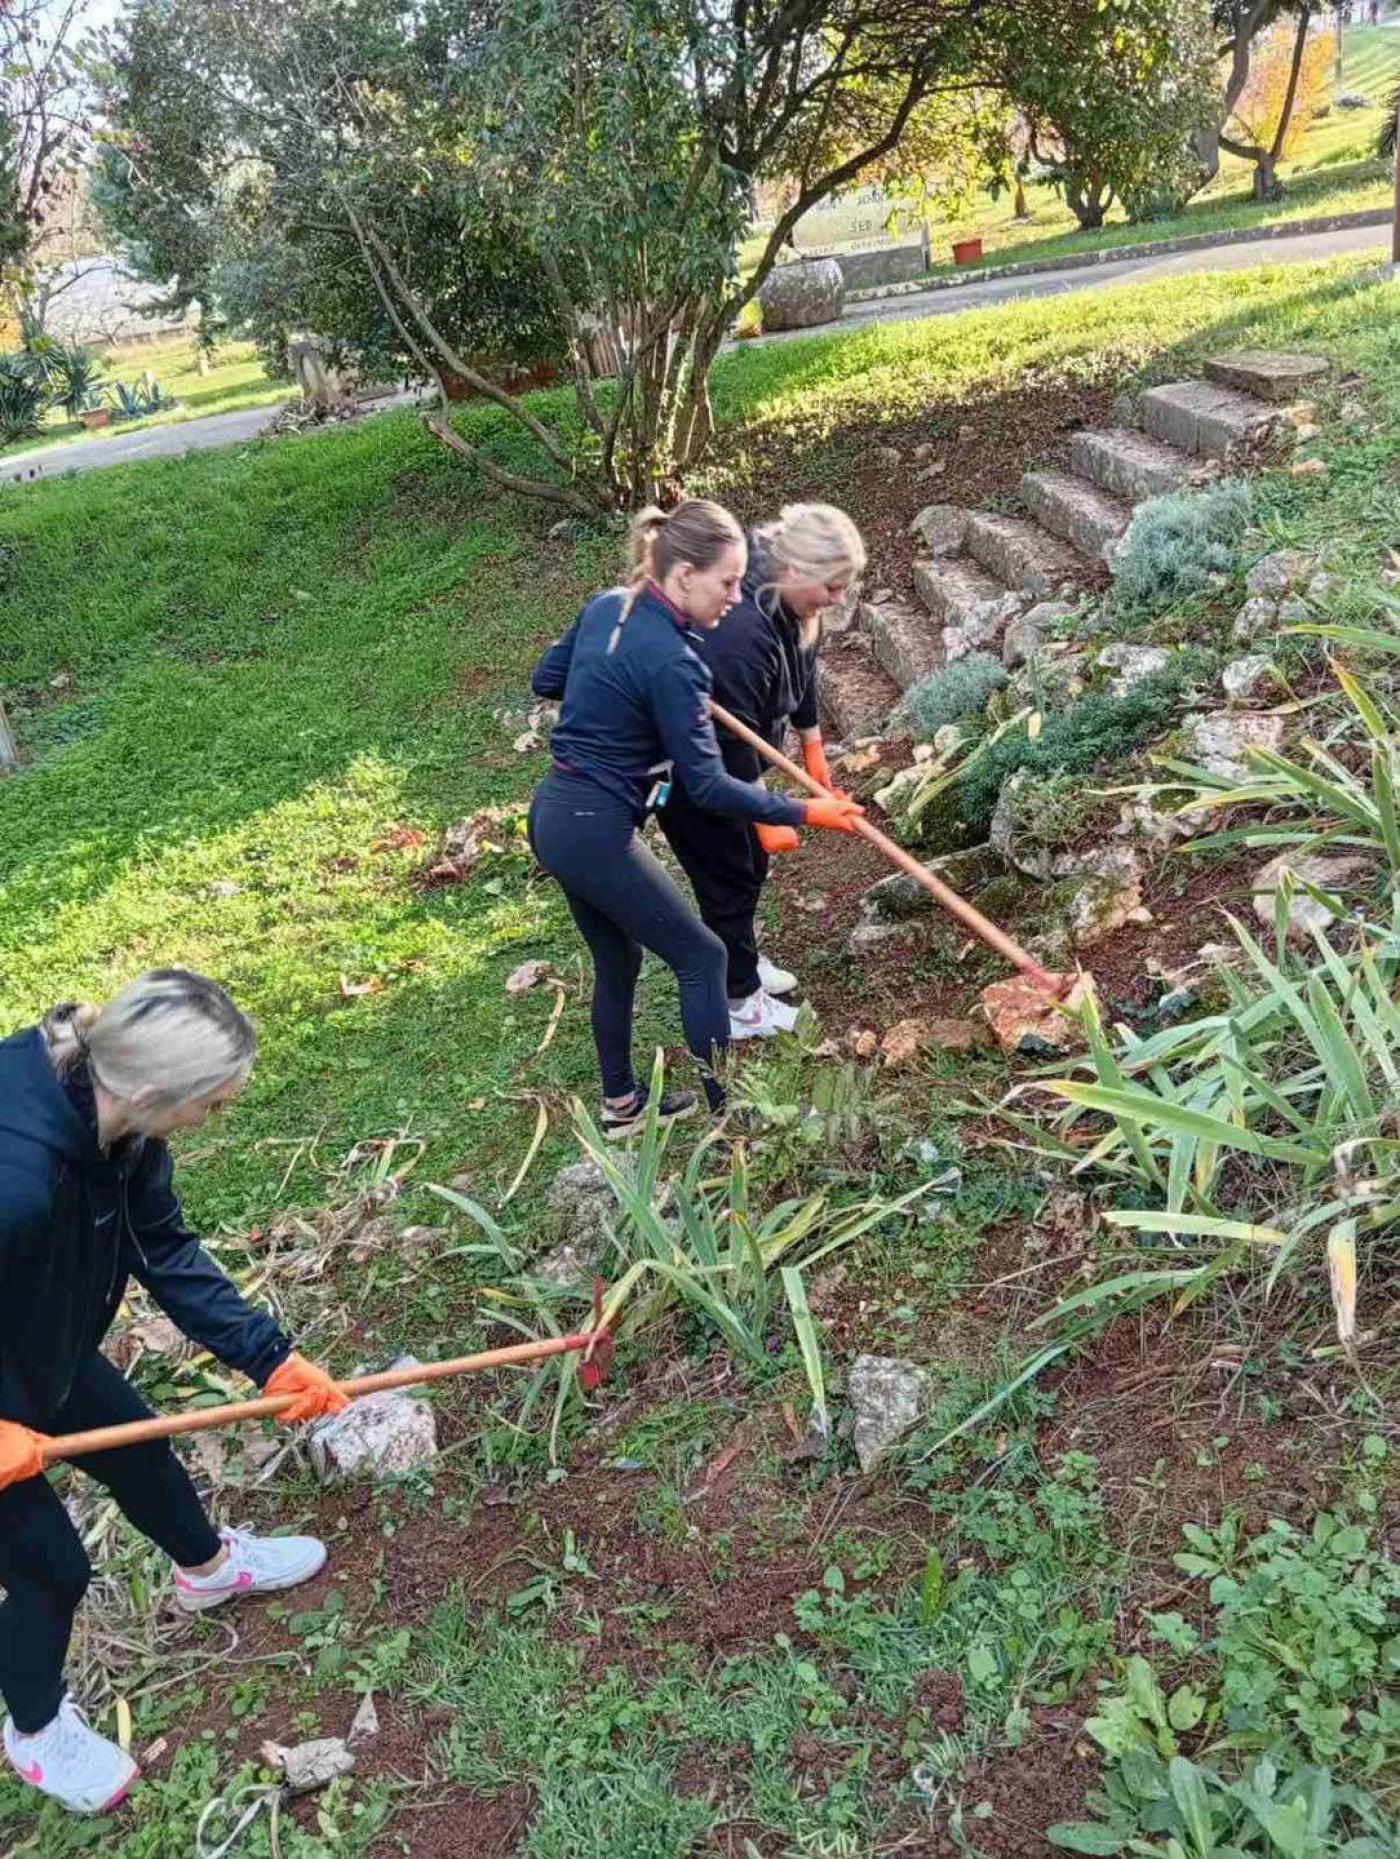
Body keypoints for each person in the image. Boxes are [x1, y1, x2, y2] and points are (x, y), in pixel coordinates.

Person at [0, 971, 349, 1817]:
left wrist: (272, 1358)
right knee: (50, 1567)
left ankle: (209, 1569)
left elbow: (161, 1247)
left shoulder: (123, 1130)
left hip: (38, 1343)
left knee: (139, 1444)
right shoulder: (15, 1177)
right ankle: (35, 1730)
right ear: (156, 1090)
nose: (214, 1118)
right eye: (213, 1104)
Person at [529, 499, 863, 1135]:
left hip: (555, 815)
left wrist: (626, 689)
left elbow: (548, 678)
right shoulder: (677, 662)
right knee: (704, 959)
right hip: (594, 828)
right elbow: (709, 786)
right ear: (683, 574)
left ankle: (622, 1106)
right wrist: (806, 810)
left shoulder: (607, 607)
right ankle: (729, 1118)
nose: (737, 598)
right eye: (728, 583)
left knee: (620, 960)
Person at [655, 503, 866, 1039]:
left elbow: (804, 673)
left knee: (746, 869)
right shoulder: (740, 630)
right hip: (692, 772)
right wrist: (768, 815)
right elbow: (733, 737)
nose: (839, 599)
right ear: (794, 571)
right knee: (730, 871)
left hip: (734, 762)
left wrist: (814, 752)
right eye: (832, 587)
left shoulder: (792, 607)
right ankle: (739, 1003)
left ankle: (738, 962)